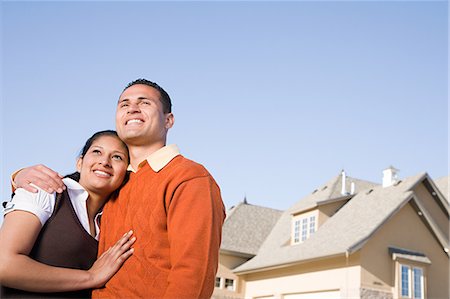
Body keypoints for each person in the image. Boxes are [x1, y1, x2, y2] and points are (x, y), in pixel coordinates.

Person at [12, 79, 226, 298]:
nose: (132, 108)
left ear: (168, 120)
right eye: (124, 104)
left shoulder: (189, 177)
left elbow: (193, 274)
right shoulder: (116, 184)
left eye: (145, 103)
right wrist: (19, 177)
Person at [0, 130, 136, 298]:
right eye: (97, 152)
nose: (104, 162)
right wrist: (91, 277)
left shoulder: (114, 221)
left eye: (117, 157)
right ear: (79, 163)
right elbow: (4, 265)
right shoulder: (46, 189)